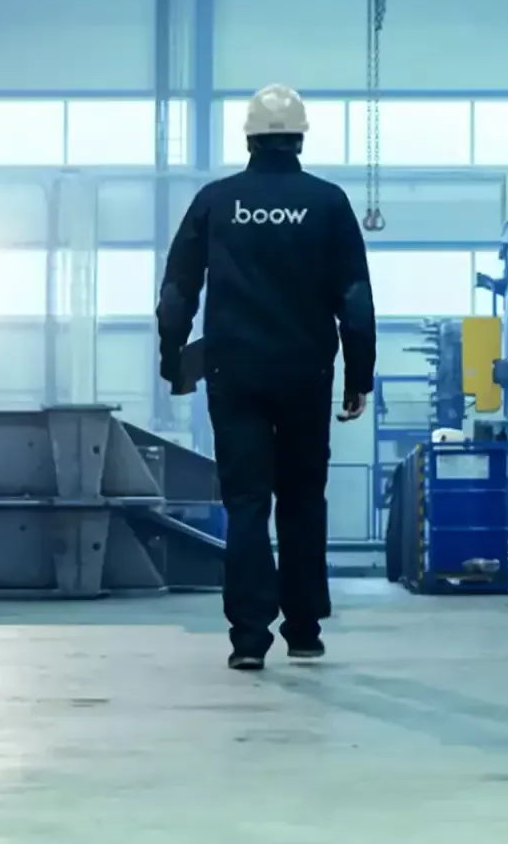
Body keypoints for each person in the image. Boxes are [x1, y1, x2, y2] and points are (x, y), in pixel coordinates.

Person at [156, 84, 377, 671]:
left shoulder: (217, 201)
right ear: (300, 135)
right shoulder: (327, 203)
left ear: (248, 137)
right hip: (306, 372)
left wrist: (171, 355)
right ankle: (303, 629)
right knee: (303, 500)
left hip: (236, 373)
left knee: (247, 502)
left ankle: (249, 640)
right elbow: (354, 296)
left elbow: (178, 287)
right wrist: (360, 374)